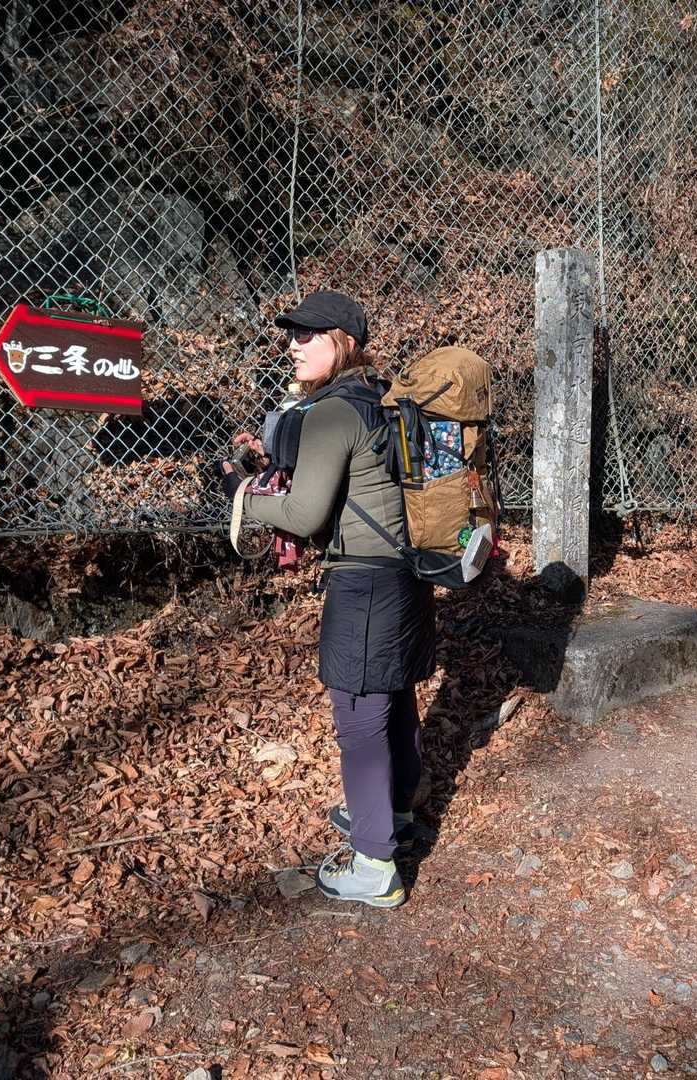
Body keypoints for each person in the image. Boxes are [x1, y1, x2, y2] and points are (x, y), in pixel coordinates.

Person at [220, 290, 434, 909]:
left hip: (363, 584)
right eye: (292, 333)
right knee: (394, 694)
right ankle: (393, 816)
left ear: (343, 341)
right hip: (407, 573)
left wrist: (242, 494)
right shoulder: (380, 397)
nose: (294, 344)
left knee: (359, 716)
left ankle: (374, 865)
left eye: (308, 334)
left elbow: (304, 514)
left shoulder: (333, 411)